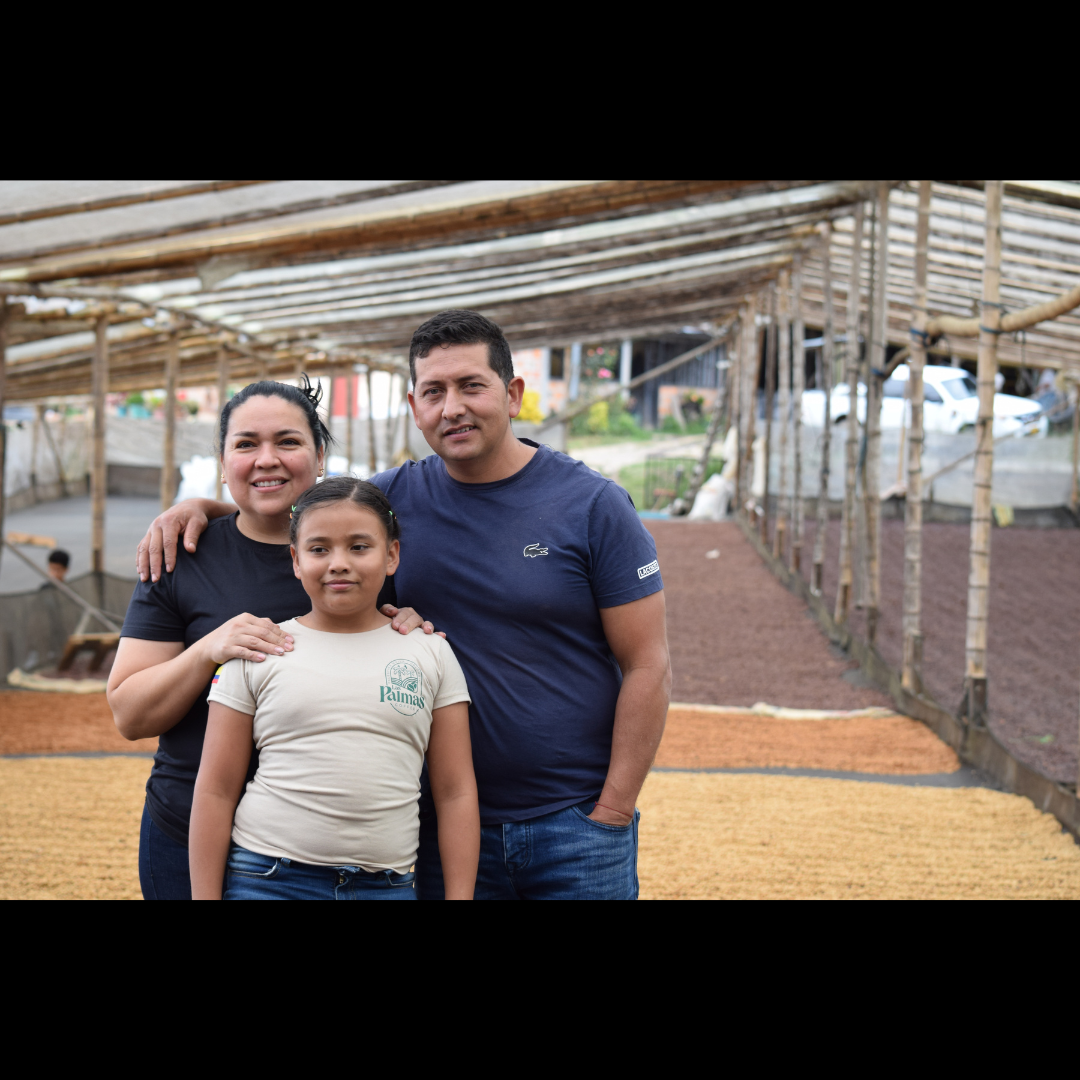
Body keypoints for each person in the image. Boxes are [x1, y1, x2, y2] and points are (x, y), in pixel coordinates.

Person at [140, 310, 671, 901]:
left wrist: (614, 809)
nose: (453, 408)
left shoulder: (594, 506)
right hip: (436, 827)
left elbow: (648, 663)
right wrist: (200, 508)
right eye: (433, 392)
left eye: (472, 385)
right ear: (413, 406)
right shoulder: (394, 496)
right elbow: (305, 507)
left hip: (572, 824)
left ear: (514, 393)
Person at [109, 378, 428, 901]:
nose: (266, 460)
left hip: (340, 854)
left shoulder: (365, 559)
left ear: (320, 454)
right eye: (245, 444)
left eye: (288, 441)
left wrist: (410, 624)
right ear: (222, 458)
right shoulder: (179, 554)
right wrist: (209, 648)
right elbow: (129, 715)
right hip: (188, 829)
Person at [190, 477, 478, 900]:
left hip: (387, 886)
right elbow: (215, 789)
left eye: (359, 547)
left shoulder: (431, 653)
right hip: (266, 881)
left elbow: (455, 792)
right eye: (319, 548)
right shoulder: (258, 651)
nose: (338, 563)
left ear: (392, 554)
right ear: (295, 559)